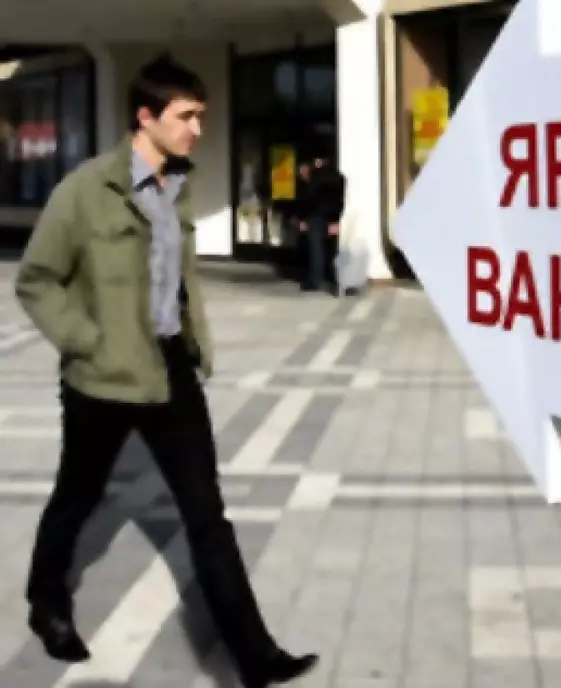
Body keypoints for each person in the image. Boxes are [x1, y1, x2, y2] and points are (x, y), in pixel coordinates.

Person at [13, 54, 317, 688]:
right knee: (77, 497)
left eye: (201, 115)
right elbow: (36, 280)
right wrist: (85, 341)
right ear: (145, 116)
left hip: (171, 370)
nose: (197, 128)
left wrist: (197, 341)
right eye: (186, 116)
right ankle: (47, 601)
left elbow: (177, 280)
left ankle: (255, 655)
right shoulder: (84, 191)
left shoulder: (179, 185)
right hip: (101, 377)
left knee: (207, 515)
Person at [295, 149, 345, 294]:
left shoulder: (316, 179)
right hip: (332, 217)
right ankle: (334, 278)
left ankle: (315, 280)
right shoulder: (339, 177)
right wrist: (336, 219)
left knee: (316, 249)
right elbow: (340, 201)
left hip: (316, 216)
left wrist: (303, 218)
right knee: (331, 249)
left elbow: (308, 198)